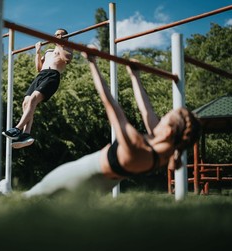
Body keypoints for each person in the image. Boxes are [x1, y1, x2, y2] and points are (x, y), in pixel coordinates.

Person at [23, 46, 201, 198]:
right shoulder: (164, 151)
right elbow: (146, 110)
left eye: (165, 119)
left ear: (169, 131)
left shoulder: (137, 145)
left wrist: (92, 63)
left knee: (34, 196)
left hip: (82, 173)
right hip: (104, 185)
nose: (160, 119)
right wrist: (134, 76)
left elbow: (111, 105)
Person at [2, 28, 73, 149]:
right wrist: (38, 52)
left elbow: (67, 59)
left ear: (66, 37)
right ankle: (26, 135)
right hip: (41, 75)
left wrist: (59, 44)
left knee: (33, 99)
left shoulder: (67, 49)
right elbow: (38, 68)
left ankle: (17, 128)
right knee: (26, 102)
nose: (56, 36)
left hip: (52, 75)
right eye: (55, 35)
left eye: (59, 35)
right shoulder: (49, 51)